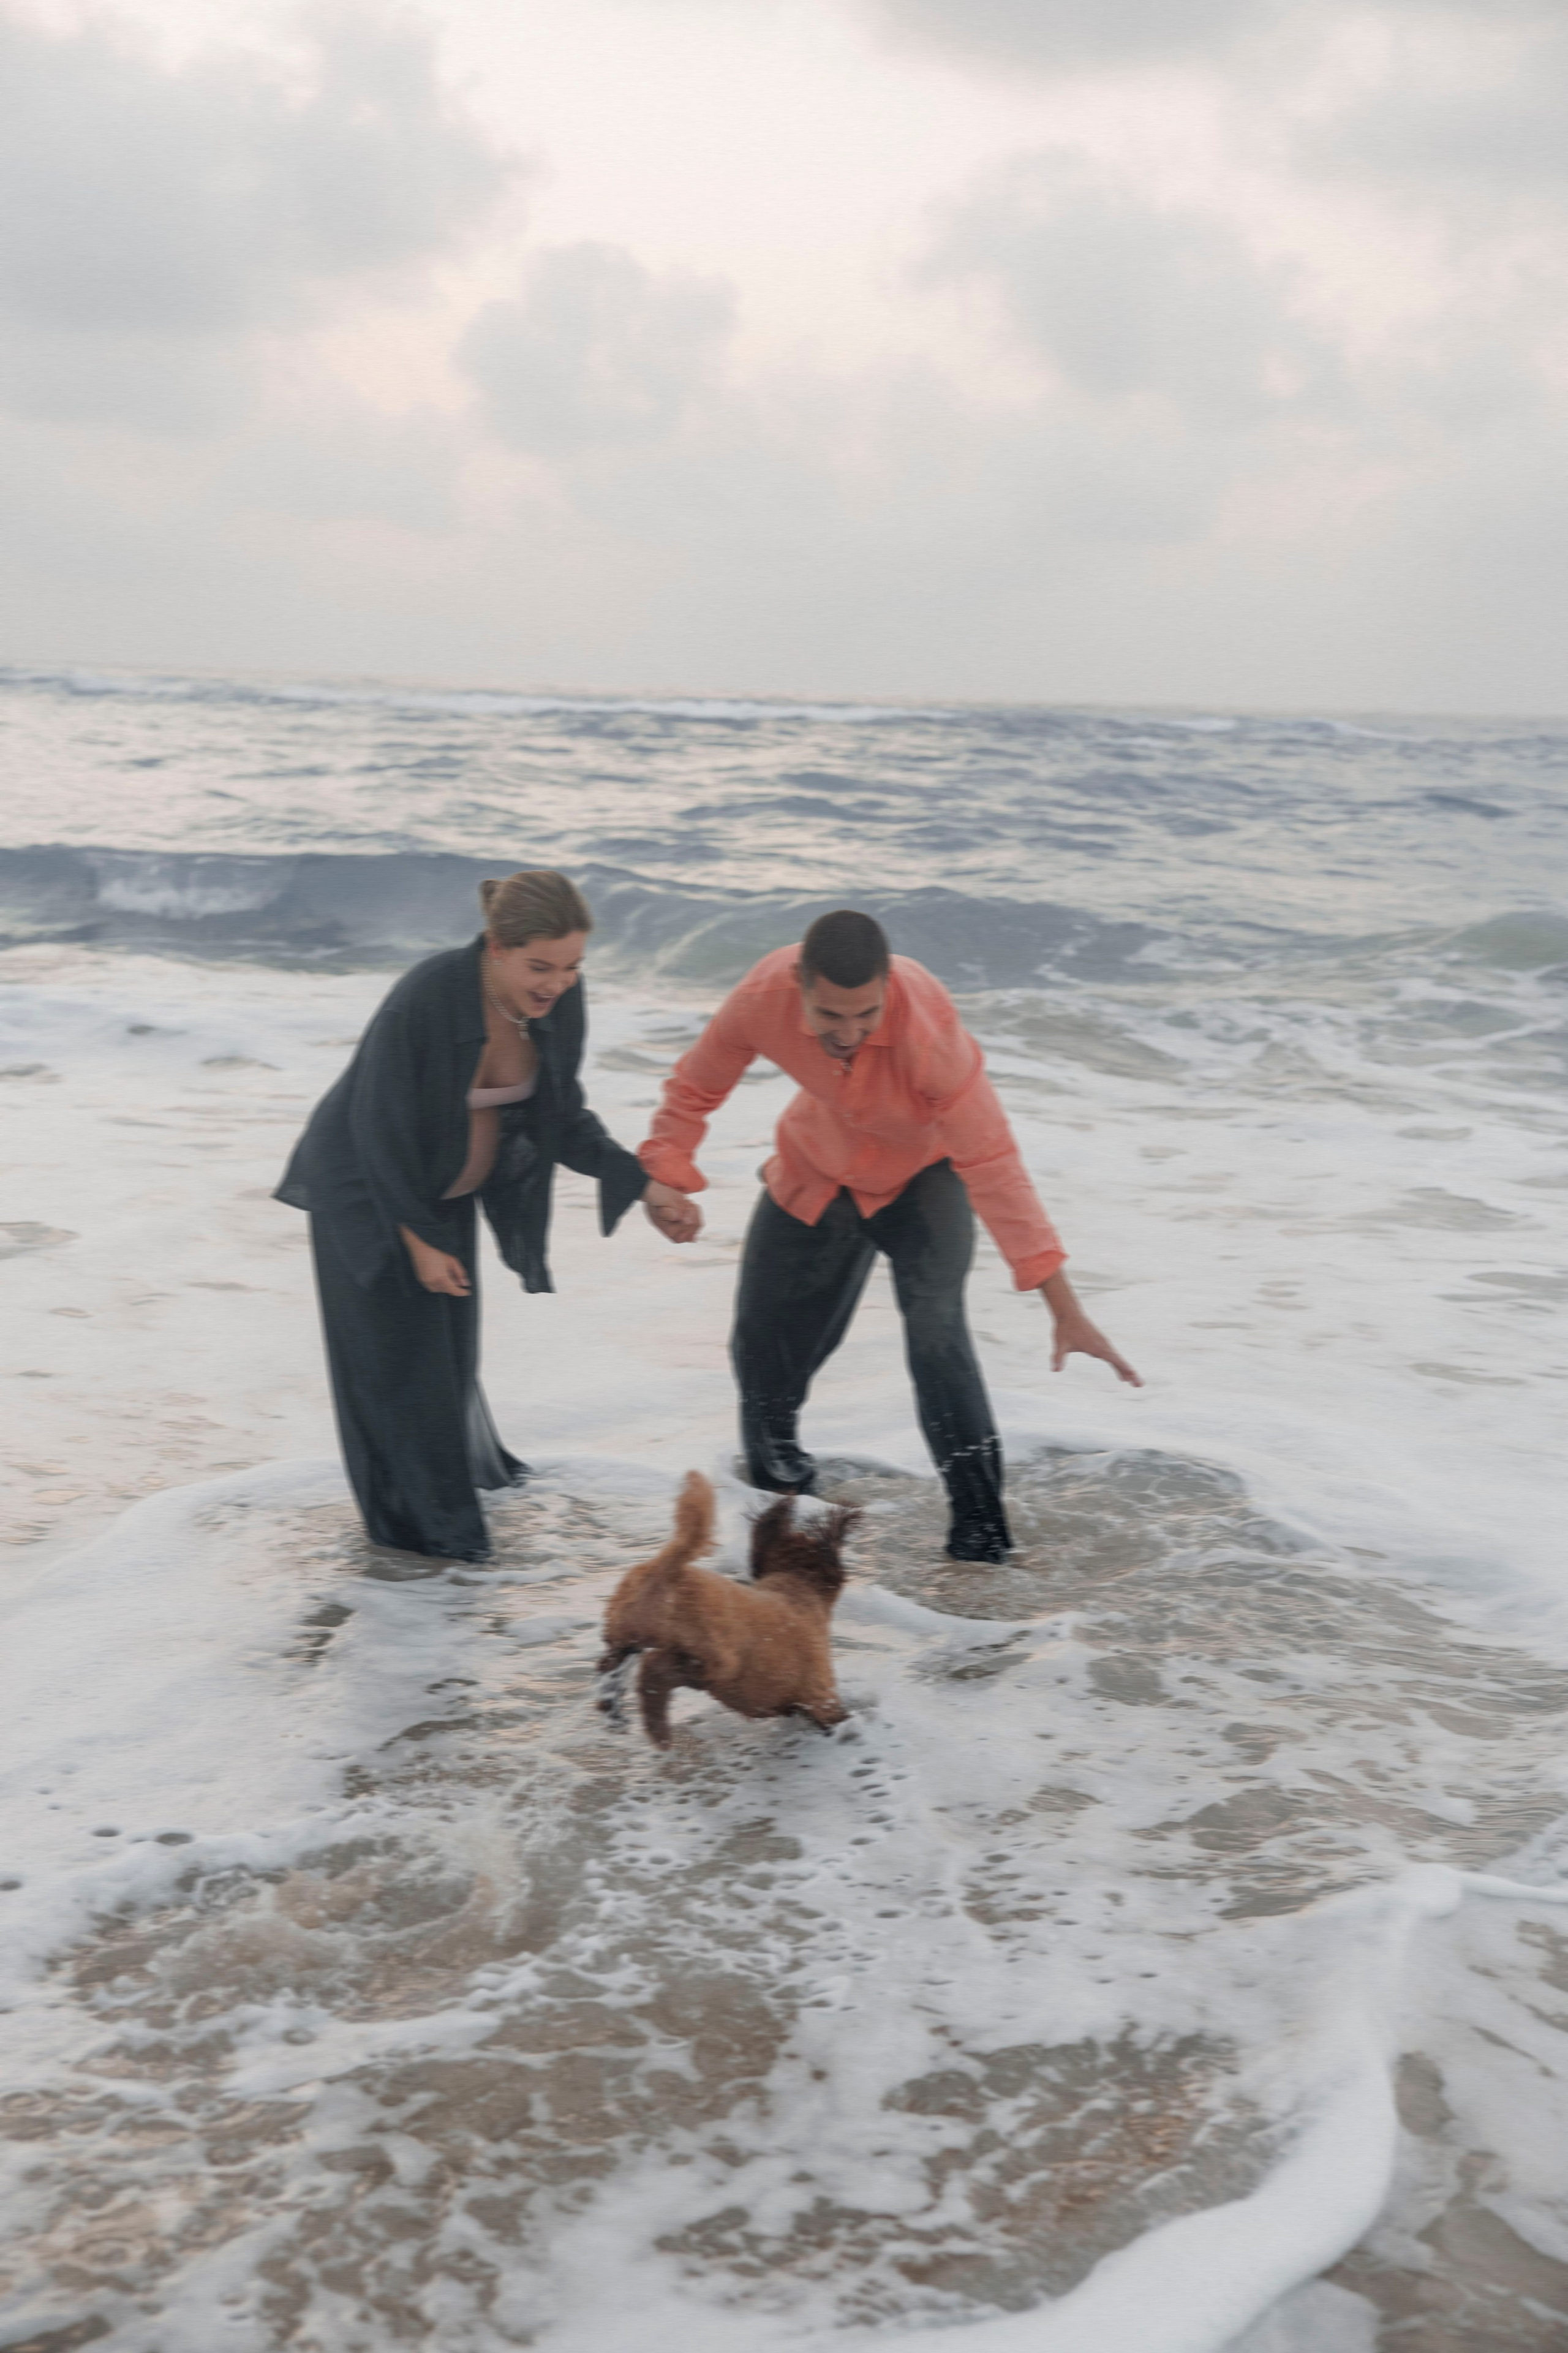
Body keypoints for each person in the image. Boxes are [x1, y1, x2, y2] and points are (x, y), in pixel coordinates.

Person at [638, 909, 1139, 1564]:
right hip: (818, 1163)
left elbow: (995, 1169)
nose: (847, 1034)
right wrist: (666, 1174)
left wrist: (1064, 1309)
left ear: (886, 989)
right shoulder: (762, 997)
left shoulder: (927, 1036)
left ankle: (981, 1540)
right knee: (759, 1343)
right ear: (799, 984)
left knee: (936, 1334)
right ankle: (783, 1511)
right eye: (829, 1017)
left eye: (865, 1014)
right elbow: (695, 1086)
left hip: (924, 1178)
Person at [276, 869, 699, 1563]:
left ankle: (453, 1537)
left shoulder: (557, 1000)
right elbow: (375, 1126)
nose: (557, 983)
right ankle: (438, 1557)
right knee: (398, 1380)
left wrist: (645, 1186)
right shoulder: (427, 997)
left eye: (572, 967)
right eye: (541, 966)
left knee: (448, 1367)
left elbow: (561, 1115)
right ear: (496, 948)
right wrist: (414, 1239)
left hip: (441, 1198)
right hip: (368, 1192)